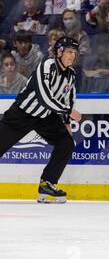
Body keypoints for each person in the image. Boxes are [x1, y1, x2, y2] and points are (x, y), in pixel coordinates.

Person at [0, 37, 81, 204]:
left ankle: (47, 183)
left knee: (66, 143)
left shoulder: (71, 74)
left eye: (74, 52)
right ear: (59, 52)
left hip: (45, 117)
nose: (72, 56)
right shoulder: (47, 65)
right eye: (68, 51)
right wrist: (68, 111)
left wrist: (66, 121)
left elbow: (69, 99)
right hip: (22, 114)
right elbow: (44, 97)